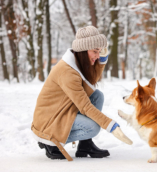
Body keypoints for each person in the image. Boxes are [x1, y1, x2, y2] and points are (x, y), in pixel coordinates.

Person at [31, 26, 132, 161]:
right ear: (83, 50)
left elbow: (90, 84)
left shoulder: (76, 63)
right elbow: (85, 107)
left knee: (97, 96)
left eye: (100, 51)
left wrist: (102, 61)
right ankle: (50, 140)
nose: (97, 55)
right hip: (50, 120)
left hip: (63, 110)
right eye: (95, 51)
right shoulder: (67, 72)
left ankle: (85, 145)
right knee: (93, 128)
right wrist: (111, 126)